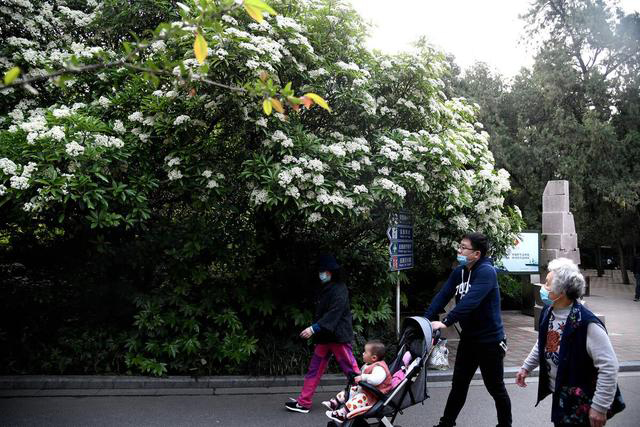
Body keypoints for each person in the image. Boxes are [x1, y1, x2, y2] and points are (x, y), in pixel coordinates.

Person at [516, 258, 619, 427]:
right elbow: (544, 343)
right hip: (561, 396)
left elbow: (609, 366)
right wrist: (526, 367)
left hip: (582, 401)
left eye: (547, 284)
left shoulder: (586, 323)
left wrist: (600, 407)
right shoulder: (549, 312)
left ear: (561, 292)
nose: (543, 288)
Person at [424, 232, 512, 427]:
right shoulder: (460, 271)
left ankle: (505, 425)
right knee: (459, 385)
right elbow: (443, 295)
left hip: (490, 342)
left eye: (464, 247)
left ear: (477, 254)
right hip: (469, 340)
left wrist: (446, 321)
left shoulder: (487, 272)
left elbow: (471, 301)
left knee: (495, 388)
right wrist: (425, 320)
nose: (459, 250)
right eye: (460, 246)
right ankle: (446, 423)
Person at [285, 254, 360, 413]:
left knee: (351, 371)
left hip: (338, 338)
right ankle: (304, 402)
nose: (321, 273)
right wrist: (316, 329)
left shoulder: (340, 289)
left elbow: (334, 313)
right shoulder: (326, 288)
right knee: (315, 369)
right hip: (326, 337)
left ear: (331, 272)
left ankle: (365, 397)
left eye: (323, 271)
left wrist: (313, 329)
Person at [324, 340, 392, 424]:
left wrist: (363, 377)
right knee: (350, 390)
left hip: (374, 396)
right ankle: (335, 403)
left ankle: (342, 414)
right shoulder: (369, 364)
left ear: (374, 358)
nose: (363, 353)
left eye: (365, 352)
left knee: (359, 399)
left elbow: (375, 380)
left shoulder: (379, 368)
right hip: (367, 391)